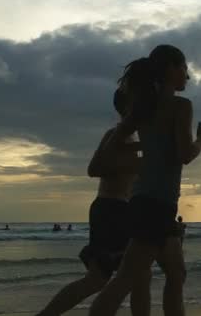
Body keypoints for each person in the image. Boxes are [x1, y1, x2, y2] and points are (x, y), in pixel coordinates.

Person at [89, 45, 201, 316]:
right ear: (170, 68)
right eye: (184, 69)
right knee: (124, 280)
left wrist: (147, 150)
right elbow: (184, 155)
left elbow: (111, 147)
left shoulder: (142, 109)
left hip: (146, 201)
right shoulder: (180, 106)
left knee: (177, 273)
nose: (187, 77)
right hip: (156, 204)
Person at [37, 89, 149, 316]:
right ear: (127, 109)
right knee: (99, 279)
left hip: (122, 210)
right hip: (110, 209)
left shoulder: (134, 139)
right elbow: (95, 169)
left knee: (137, 277)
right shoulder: (115, 135)